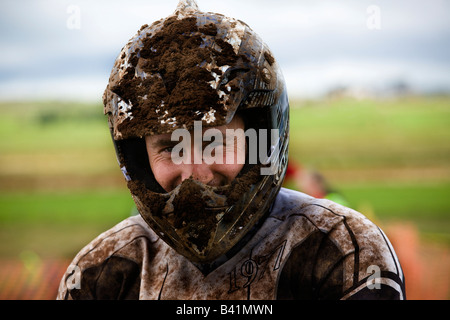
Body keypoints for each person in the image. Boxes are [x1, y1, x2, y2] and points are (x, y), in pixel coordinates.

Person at [57, 0, 405, 300]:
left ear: (260, 141)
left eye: (214, 142)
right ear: (138, 160)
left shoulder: (342, 250)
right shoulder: (100, 272)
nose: (194, 173)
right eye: (168, 147)